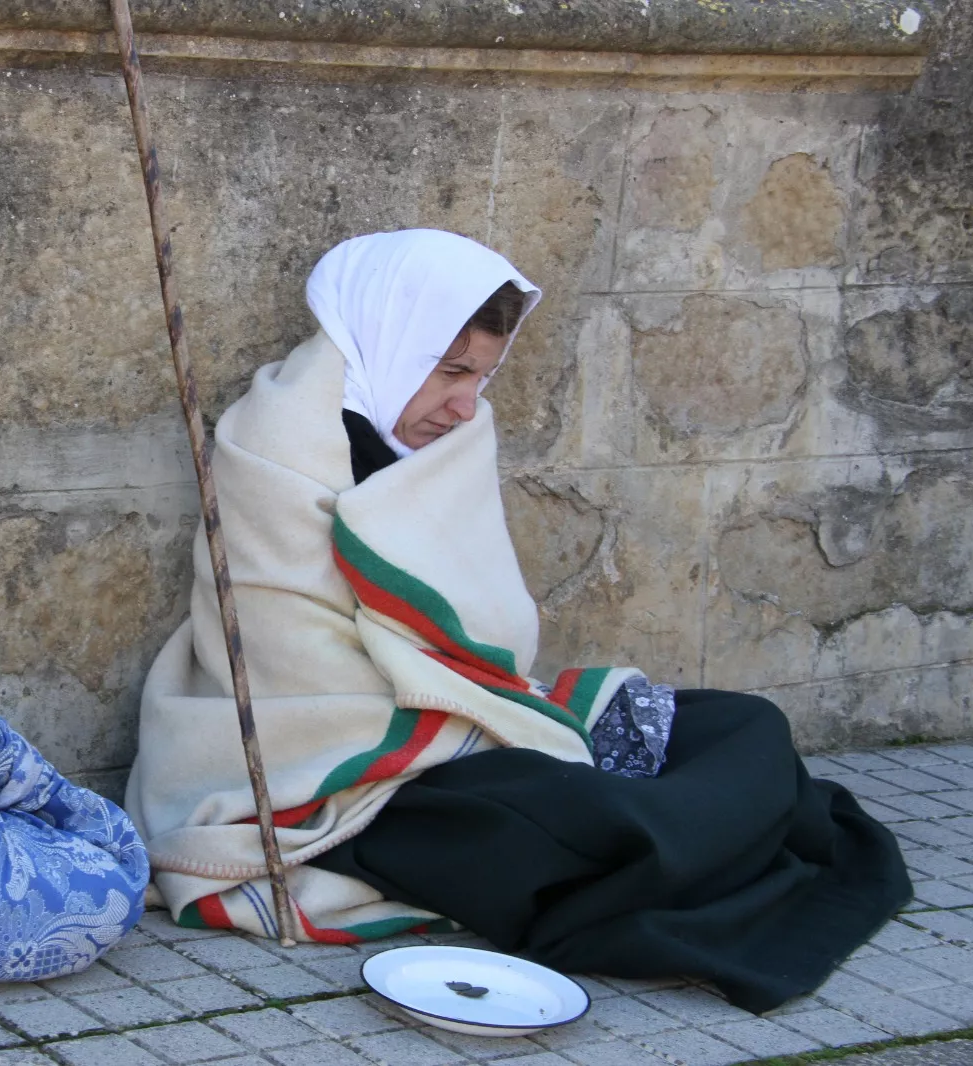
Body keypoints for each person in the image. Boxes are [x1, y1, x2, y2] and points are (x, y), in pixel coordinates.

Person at [123, 229, 908, 1013]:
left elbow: (479, 626)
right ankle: (712, 846)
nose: (466, 404)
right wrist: (474, 725)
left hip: (473, 713)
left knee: (743, 723)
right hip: (349, 776)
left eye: (484, 375)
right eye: (452, 370)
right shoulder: (276, 448)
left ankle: (700, 836)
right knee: (605, 826)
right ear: (388, 337)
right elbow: (285, 648)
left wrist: (496, 715)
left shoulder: (435, 438)